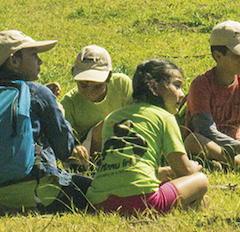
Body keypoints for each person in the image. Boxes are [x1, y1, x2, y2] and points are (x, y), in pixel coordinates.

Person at [0, 30, 92, 212]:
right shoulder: (37, 93)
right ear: (14, 61)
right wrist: (61, 113)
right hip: (38, 188)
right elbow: (65, 149)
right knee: (95, 190)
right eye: (33, 55)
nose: (39, 60)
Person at [88, 59, 209, 215]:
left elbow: (124, 167)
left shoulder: (113, 117)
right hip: (142, 202)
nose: (181, 93)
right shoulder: (165, 117)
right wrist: (195, 166)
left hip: (98, 203)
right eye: (177, 85)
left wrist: (159, 172)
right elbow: (184, 170)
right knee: (200, 180)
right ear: (156, 87)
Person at [184, 21, 240, 172]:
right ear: (218, 55)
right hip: (213, 147)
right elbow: (205, 131)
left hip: (236, 148)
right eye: (237, 55)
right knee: (194, 141)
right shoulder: (201, 84)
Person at [59, 45, 133, 163]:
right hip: (87, 154)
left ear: (108, 78)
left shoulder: (122, 84)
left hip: (122, 141)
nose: (90, 92)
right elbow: (62, 138)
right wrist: (75, 148)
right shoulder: (69, 103)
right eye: (84, 85)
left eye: (98, 86)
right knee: (106, 125)